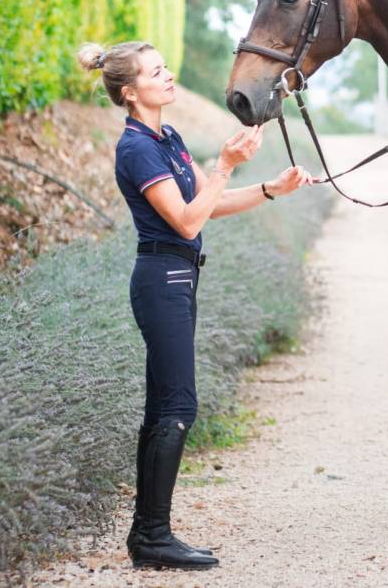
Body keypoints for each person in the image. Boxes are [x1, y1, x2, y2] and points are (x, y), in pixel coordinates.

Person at [76, 40, 311, 570]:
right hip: (161, 279)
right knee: (178, 407)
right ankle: (153, 535)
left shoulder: (168, 138)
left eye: (165, 68)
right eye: (155, 72)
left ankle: (148, 534)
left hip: (180, 278)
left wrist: (271, 188)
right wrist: (224, 164)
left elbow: (207, 206)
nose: (168, 75)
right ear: (130, 92)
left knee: (163, 408)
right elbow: (185, 222)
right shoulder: (137, 149)